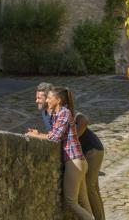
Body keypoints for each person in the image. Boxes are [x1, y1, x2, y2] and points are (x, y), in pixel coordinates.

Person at [26, 86, 94, 220]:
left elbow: (54, 137)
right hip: (78, 161)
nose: (47, 100)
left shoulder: (64, 112)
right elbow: (54, 133)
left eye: (50, 98)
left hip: (74, 162)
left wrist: (37, 136)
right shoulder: (57, 114)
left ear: (58, 100)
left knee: (71, 202)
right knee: (83, 200)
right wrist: (39, 133)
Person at [75, 111, 105, 220]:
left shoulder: (66, 112)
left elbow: (84, 120)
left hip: (93, 150)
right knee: (94, 188)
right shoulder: (50, 115)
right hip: (92, 150)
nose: (37, 100)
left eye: (39, 97)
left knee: (90, 187)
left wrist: (75, 137)